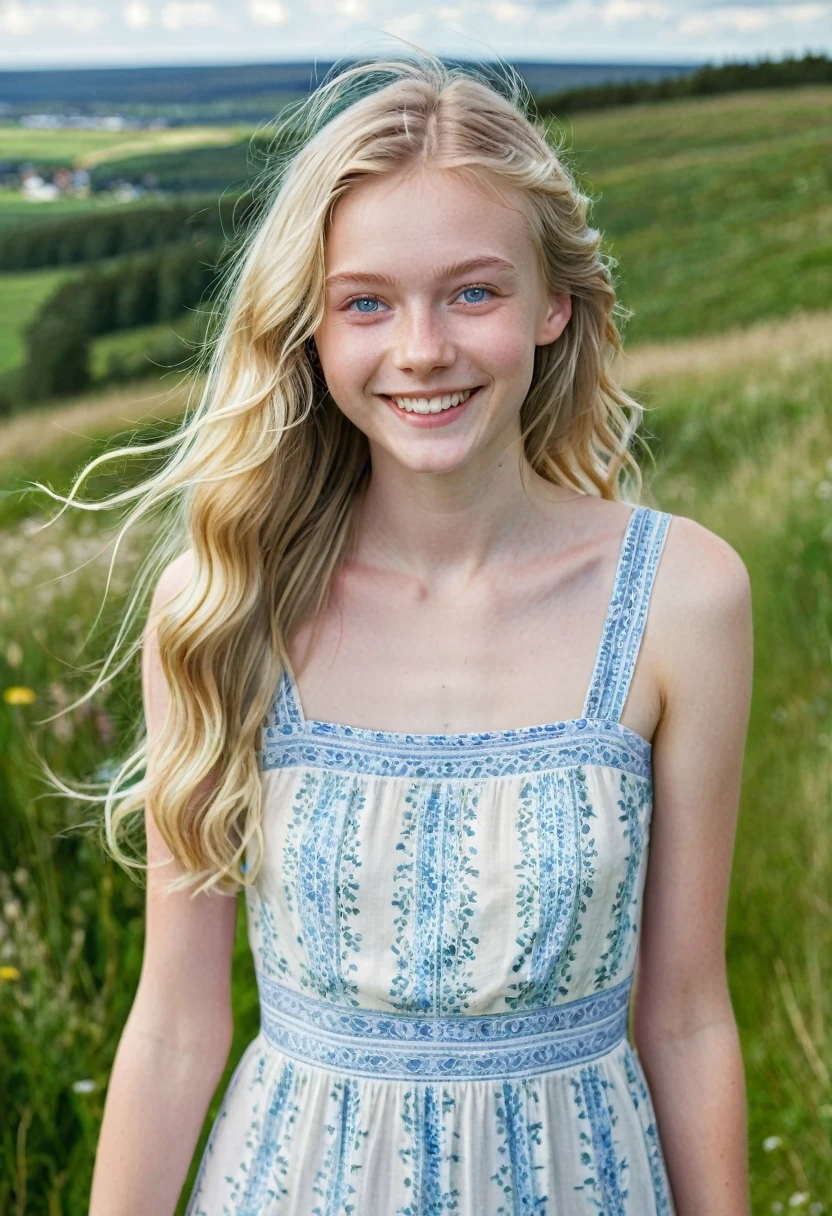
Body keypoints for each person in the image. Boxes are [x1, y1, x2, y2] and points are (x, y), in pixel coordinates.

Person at [87, 48, 753, 1215]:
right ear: (311, 330)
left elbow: (687, 1015)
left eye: (473, 291)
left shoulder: (682, 597)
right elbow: (178, 1025)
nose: (421, 349)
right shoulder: (229, 597)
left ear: (554, 303)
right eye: (366, 302)